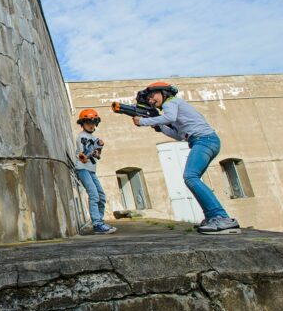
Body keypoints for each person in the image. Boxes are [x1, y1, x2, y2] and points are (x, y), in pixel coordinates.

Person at [132, 82, 240, 235]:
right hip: (205, 141)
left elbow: (168, 117)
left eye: (152, 96)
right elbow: (178, 136)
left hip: (204, 140)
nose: (150, 100)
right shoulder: (174, 107)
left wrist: (143, 121)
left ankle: (221, 217)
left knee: (190, 176)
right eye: (148, 99)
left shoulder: (171, 102)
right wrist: (161, 127)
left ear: (164, 93)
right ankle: (212, 217)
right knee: (193, 178)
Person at [74, 109, 116, 235]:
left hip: (91, 170)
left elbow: (97, 155)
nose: (91, 125)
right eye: (88, 122)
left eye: (93, 122)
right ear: (82, 123)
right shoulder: (81, 136)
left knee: (101, 196)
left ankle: (100, 222)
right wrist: (93, 149)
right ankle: (97, 224)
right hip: (82, 169)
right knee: (94, 194)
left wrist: (99, 149)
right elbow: (84, 155)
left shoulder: (94, 137)